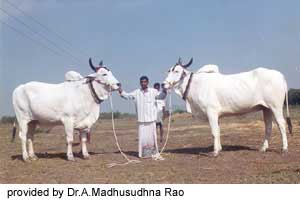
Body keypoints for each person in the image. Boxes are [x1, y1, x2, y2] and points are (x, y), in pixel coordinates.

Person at [118, 76, 167, 159]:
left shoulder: (153, 91)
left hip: (151, 120)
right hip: (141, 120)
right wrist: (120, 89)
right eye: (142, 82)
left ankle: (154, 153)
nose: (143, 83)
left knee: (153, 137)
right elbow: (127, 96)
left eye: (145, 82)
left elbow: (161, 96)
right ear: (140, 83)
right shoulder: (136, 92)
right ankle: (143, 154)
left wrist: (164, 90)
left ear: (148, 82)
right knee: (142, 139)